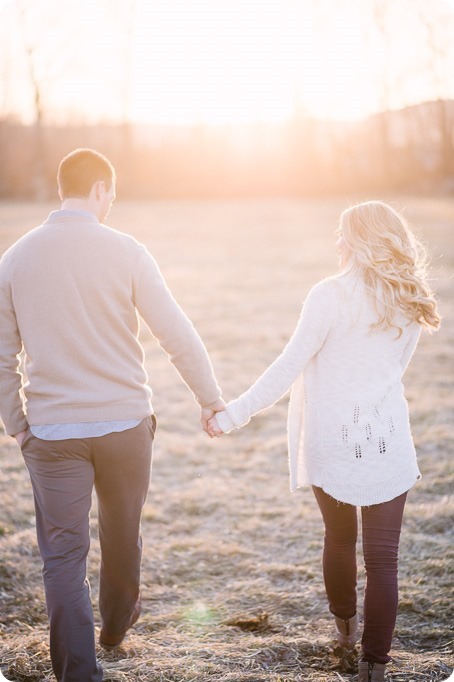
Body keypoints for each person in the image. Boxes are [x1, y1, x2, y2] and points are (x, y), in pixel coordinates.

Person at [0, 148, 224, 682]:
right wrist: (209, 397)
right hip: (126, 427)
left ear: (62, 189)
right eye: (112, 197)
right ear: (100, 190)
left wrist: (17, 425)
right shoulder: (126, 250)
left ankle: (79, 672)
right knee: (123, 533)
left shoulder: (16, 257)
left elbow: (1, 355)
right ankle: (116, 628)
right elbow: (176, 331)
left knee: (63, 557)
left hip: (52, 433)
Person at [207, 201, 440, 682]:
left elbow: (287, 367)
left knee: (339, 539)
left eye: (341, 232)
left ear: (357, 240)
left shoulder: (328, 295)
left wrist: (232, 416)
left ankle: (346, 631)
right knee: (384, 559)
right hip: (388, 440)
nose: (336, 241)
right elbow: (394, 372)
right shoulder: (411, 298)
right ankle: (374, 667)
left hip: (333, 442)